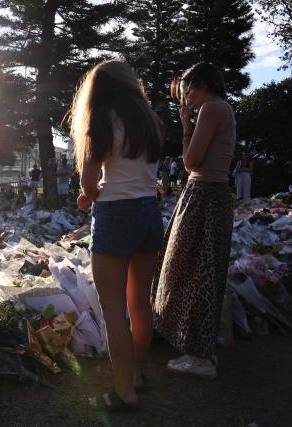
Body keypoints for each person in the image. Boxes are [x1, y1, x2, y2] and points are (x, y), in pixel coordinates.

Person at [70, 60, 164, 411]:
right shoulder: (149, 120)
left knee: (113, 311)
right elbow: (136, 173)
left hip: (115, 216)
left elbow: (89, 182)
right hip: (148, 213)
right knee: (140, 302)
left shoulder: (101, 119)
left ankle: (124, 393)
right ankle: (137, 374)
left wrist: (89, 193)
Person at [152, 63, 236, 379]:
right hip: (207, 192)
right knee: (197, 269)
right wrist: (187, 125)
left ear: (204, 85)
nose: (186, 95)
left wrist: (186, 127)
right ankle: (197, 349)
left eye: (189, 88)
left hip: (204, 195)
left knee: (193, 270)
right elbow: (191, 165)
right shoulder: (217, 108)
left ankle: (200, 354)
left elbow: (190, 161)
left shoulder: (212, 108)